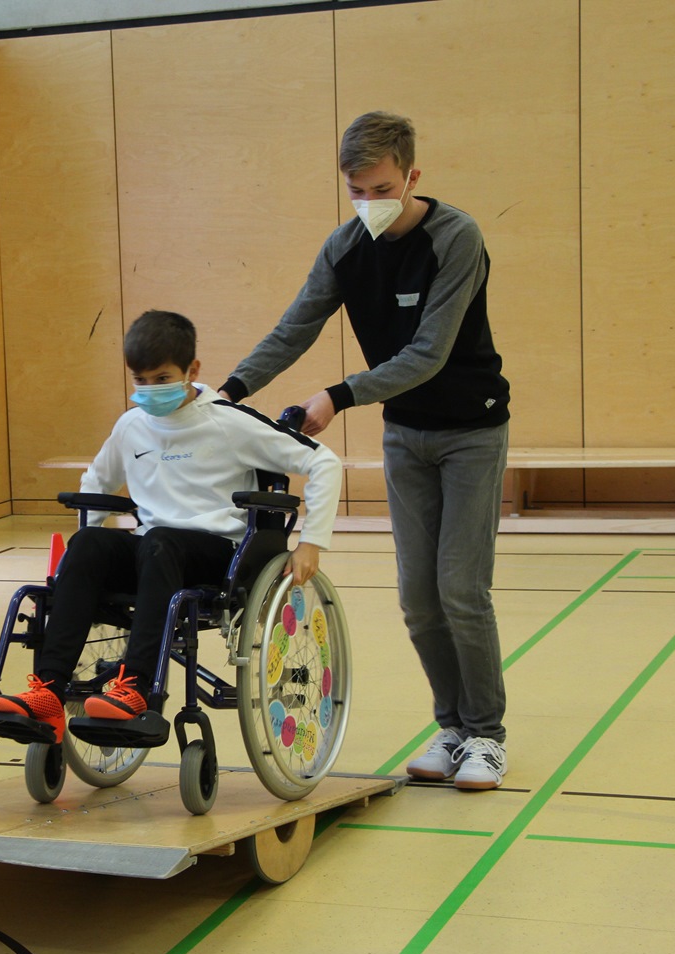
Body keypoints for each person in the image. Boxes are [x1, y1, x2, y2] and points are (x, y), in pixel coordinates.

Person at [218, 111, 511, 790]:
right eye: (357, 191)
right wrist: (229, 393)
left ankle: (487, 735)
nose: (369, 203)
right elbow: (295, 328)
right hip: (406, 436)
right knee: (417, 597)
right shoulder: (345, 248)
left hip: (471, 429)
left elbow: (429, 354)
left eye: (382, 188)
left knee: (461, 589)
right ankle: (452, 729)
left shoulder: (456, 238)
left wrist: (337, 396)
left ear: (413, 176)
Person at [0, 309, 342, 741]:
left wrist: (312, 542)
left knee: (159, 542)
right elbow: (97, 480)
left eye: (162, 378)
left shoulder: (228, 422)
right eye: (141, 380)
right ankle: (48, 692)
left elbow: (322, 461)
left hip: (216, 552)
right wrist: (74, 561)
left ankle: (136, 689)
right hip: (154, 550)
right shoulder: (131, 426)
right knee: (89, 545)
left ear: (192, 370)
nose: (150, 390)